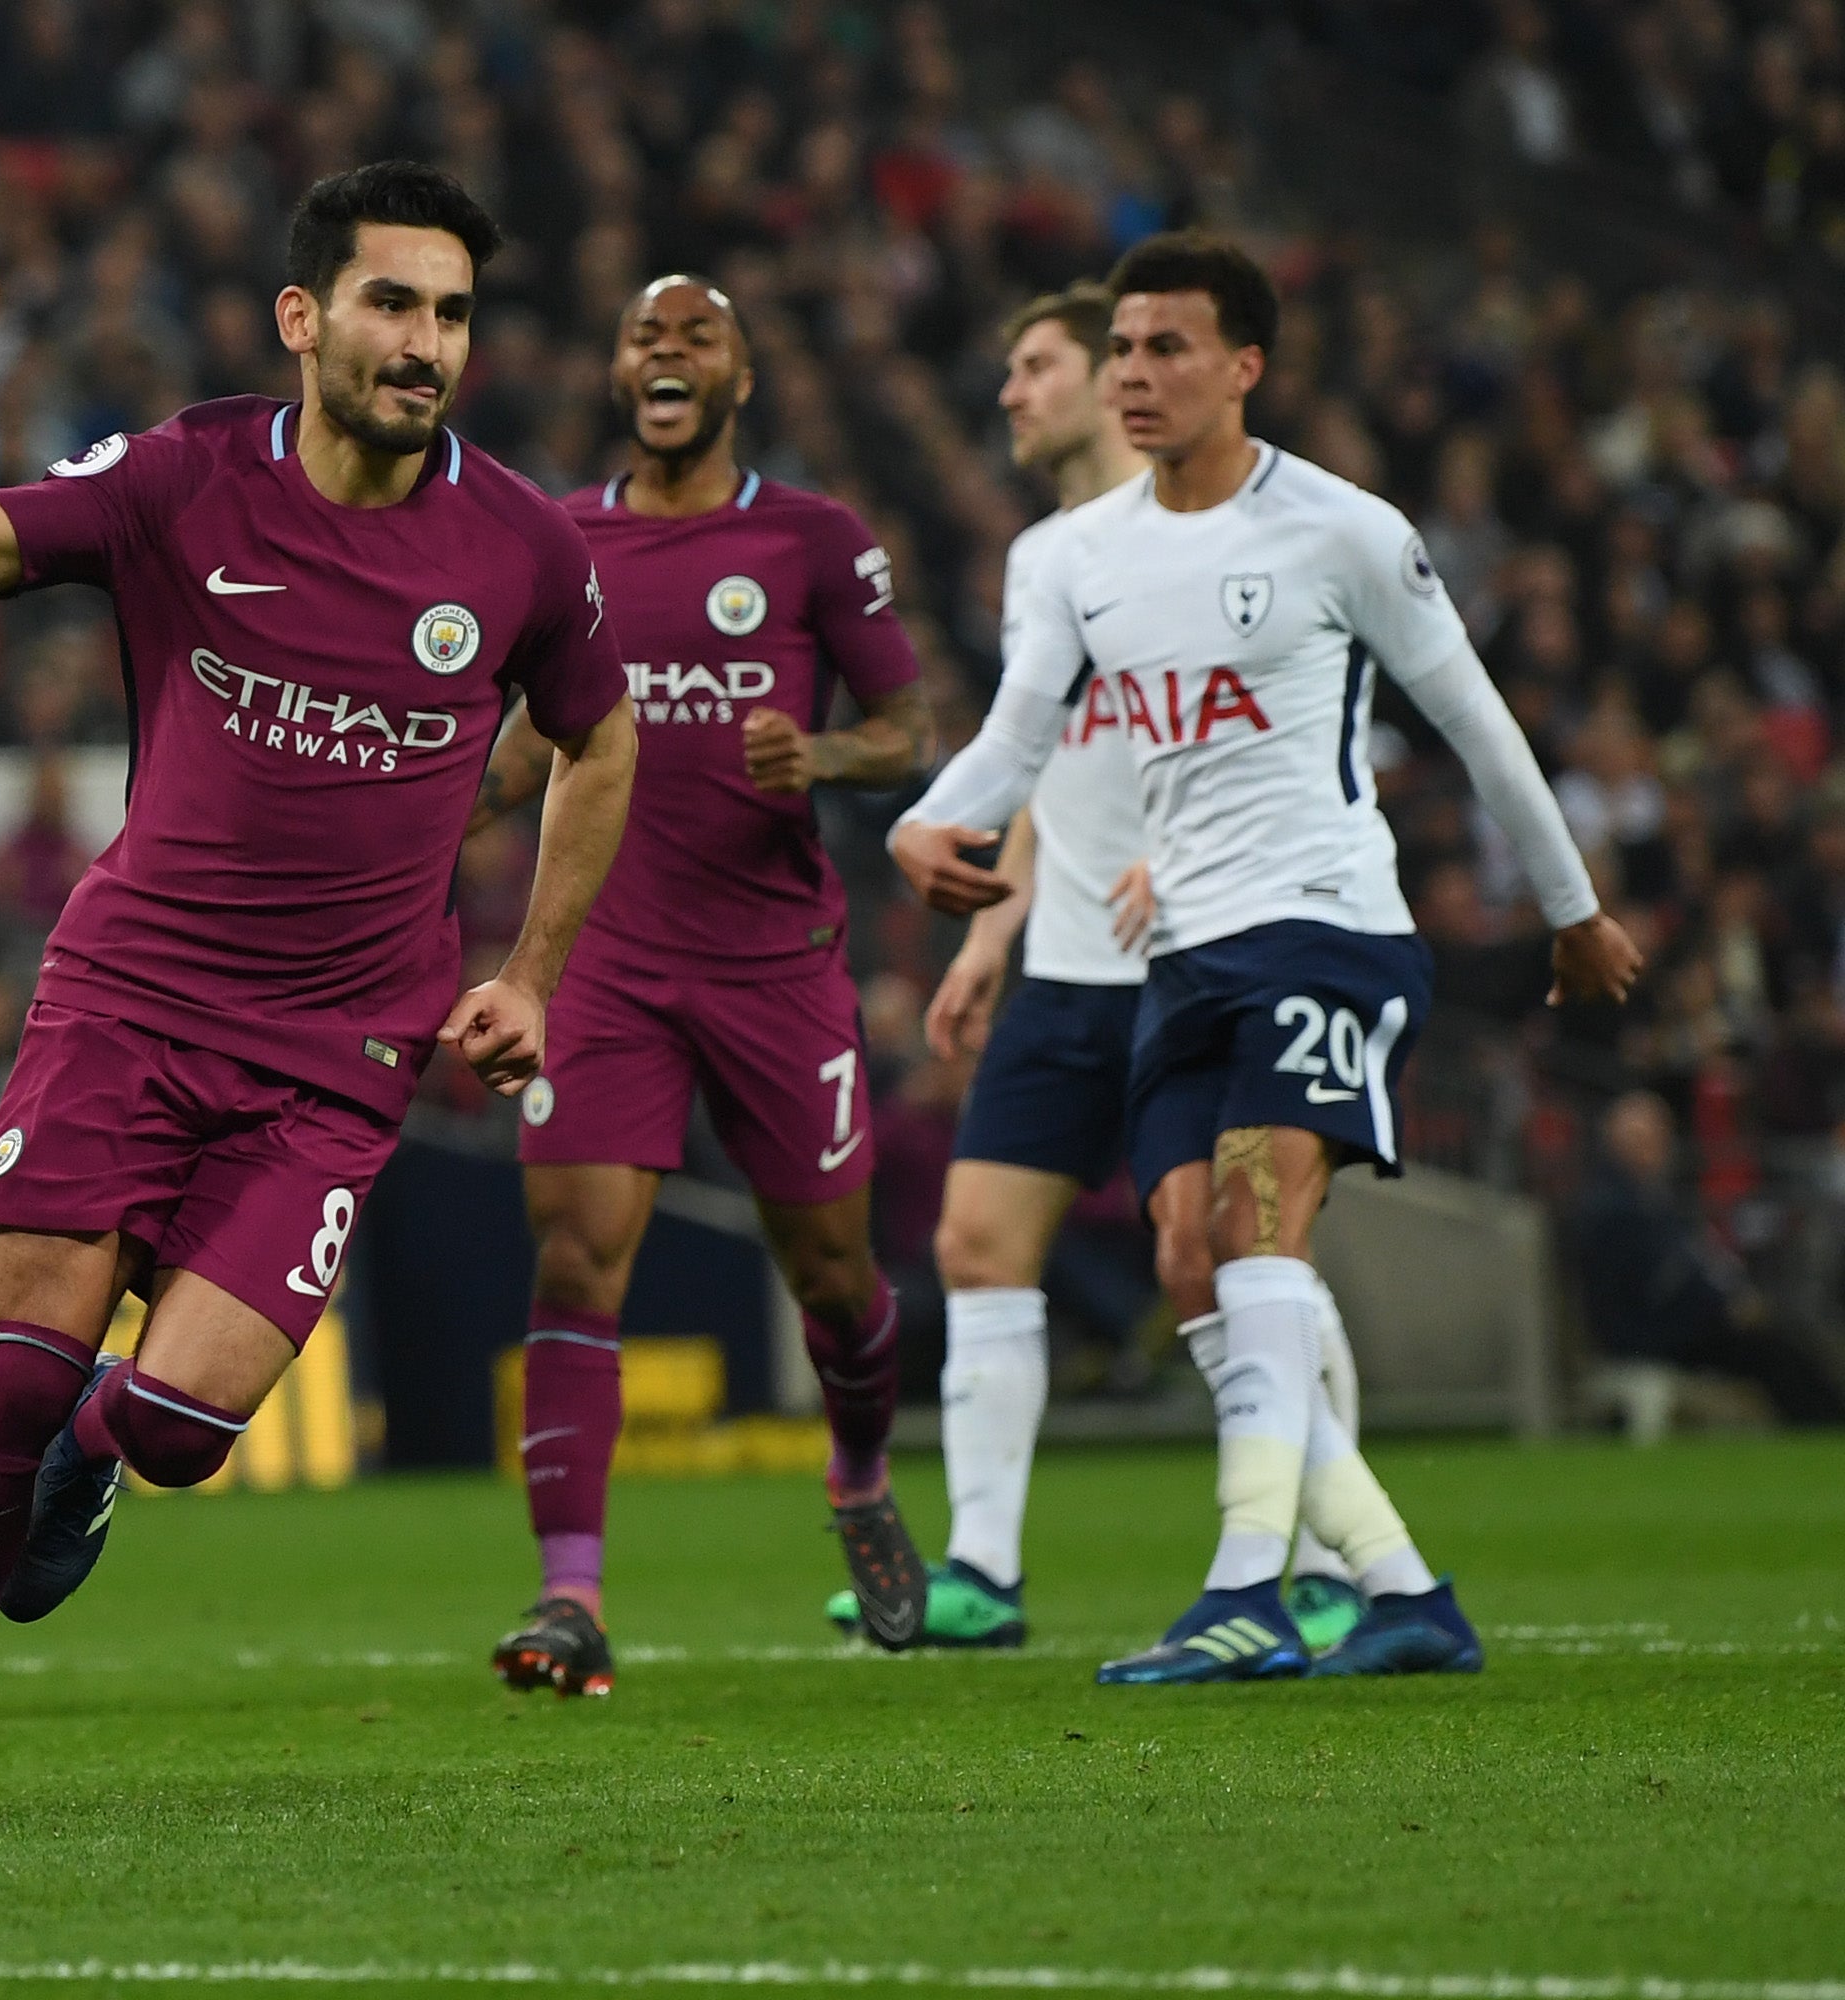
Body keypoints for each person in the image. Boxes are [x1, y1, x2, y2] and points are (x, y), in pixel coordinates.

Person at [0, 161, 634, 1829]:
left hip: (338, 1058)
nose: (425, 342)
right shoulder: (183, 473)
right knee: (7, 1377)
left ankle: (94, 1460)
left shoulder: (521, 543)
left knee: (182, 1426)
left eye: (450, 312)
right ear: (305, 316)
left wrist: (533, 975)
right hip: (129, 998)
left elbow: (602, 733)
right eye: (391, 303)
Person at [889, 234, 1642, 1684]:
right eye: (1120, 349)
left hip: (1324, 924)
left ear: (1246, 366)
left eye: (1166, 348)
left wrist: (1572, 907)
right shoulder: (1074, 560)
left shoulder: (1343, 530)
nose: (1134, 374)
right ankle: (1404, 1587)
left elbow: (1475, 722)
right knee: (1190, 1256)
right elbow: (1019, 737)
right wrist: (930, 827)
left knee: (1257, 1225)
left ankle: (1249, 1586)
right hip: (1179, 957)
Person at [874, 283, 1368, 1654]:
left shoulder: (1227, 542)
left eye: (1036, 366)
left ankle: (1331, 1558)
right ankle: (981, 1570)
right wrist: (992, 930)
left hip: (1199, 958)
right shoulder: (1050, 557)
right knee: (976, 1241)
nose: (1012, 395)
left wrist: (1199, 868)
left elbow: (1275, 739)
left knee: (1218, 1258)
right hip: (1069, 964)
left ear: (1114, 378)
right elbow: (1041, 767)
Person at [465, 274, 934, 1694]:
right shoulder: (558, 537)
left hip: (775, 966)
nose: (666, 355)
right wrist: (450, 801)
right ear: (616, 373)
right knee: (575, 1255)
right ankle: (570, 1599)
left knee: (837, 1278)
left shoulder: (811, 537)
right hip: (601, 961)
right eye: (643, 338)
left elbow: (906, 725)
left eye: (698, 338)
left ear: (740, 377)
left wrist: (828, 756)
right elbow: (527, 747)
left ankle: (857, 1476)